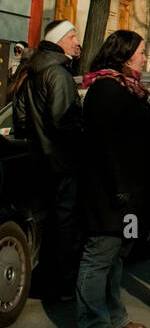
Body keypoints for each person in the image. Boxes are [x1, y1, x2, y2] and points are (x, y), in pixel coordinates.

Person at [75, 31, 150, 328]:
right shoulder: (106, 90)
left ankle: (114, 317)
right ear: (123, 54)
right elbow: (106, 145)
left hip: (129, 192)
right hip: (110, 193)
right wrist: (120, 187)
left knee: (117, 257)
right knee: (99, 257)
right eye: (140, 52)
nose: (144, 57)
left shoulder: (127, 88)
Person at [12, 18, 82, 300]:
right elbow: (65, 122)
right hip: (61, 163)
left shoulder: (31, 71)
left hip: (37, 160)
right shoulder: (59, 74)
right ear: (61, 40)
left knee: (47, 223)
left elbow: (20, 119)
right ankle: (62, 286)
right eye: (73, 36)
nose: (77, 42)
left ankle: (41, 282)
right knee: (65, 225)